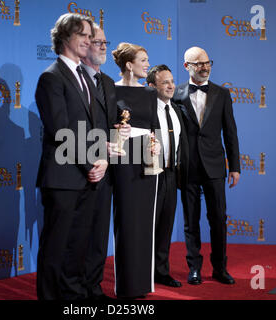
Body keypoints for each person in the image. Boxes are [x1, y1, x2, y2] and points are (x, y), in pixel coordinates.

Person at [35, 13, 109, 300]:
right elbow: (60, 130)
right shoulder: (51, 77)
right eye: (83, 35)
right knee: (56, 247)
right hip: (63, 177)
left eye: (91, 36)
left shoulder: (87, 79)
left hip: (88, 176)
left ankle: (73, 299)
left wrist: (102, 160)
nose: (89, 41)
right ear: (65, 37)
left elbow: (94, 128)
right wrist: (91, 163)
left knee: (78, 245)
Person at [172, 46, 240, 285]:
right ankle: (194, 269)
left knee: (219, 218)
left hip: (214, 166)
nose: (205, 67)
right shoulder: (176, 93)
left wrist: (235, 166)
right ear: (186, 67)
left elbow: (230, 132)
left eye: (207, 62)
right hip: (187, 166)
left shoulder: (222, 93)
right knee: (191, 220)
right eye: (198, 63)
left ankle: (220, 268)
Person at [81, 24, 130, 300]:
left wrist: (120, 131)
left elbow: (111, 122)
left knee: (100, 234)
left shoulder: (109, 83)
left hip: (106, 169)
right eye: (97, 42)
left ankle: (93, 286)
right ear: (84, 45)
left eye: (104, 42)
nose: (102, 46)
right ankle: (76, 288)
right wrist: (92, 159)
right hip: (81, 169)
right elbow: (71, 128)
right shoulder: (74, 81)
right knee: (79, 236)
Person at [111, 42, 160, 299]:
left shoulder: (150, 93)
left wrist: (155, 144)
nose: (147, 64)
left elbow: (154, 128)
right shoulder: (110, 89)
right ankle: (126, 285)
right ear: (129, 65)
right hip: (121, 159)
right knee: (127, 221)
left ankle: (142, 284)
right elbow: (104, 124)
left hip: (146, 160)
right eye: (143, 60)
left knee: (144, 223)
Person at [146, 64, 188, 288]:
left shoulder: (177, 110)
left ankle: (161, 271)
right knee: (148, 226)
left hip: (171, 174)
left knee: (165, 226)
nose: (171, 86)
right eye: (165, 82)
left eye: (172, 81)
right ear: (152, 86)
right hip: (150, 175)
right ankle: (143, 272)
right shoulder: (146, 111)